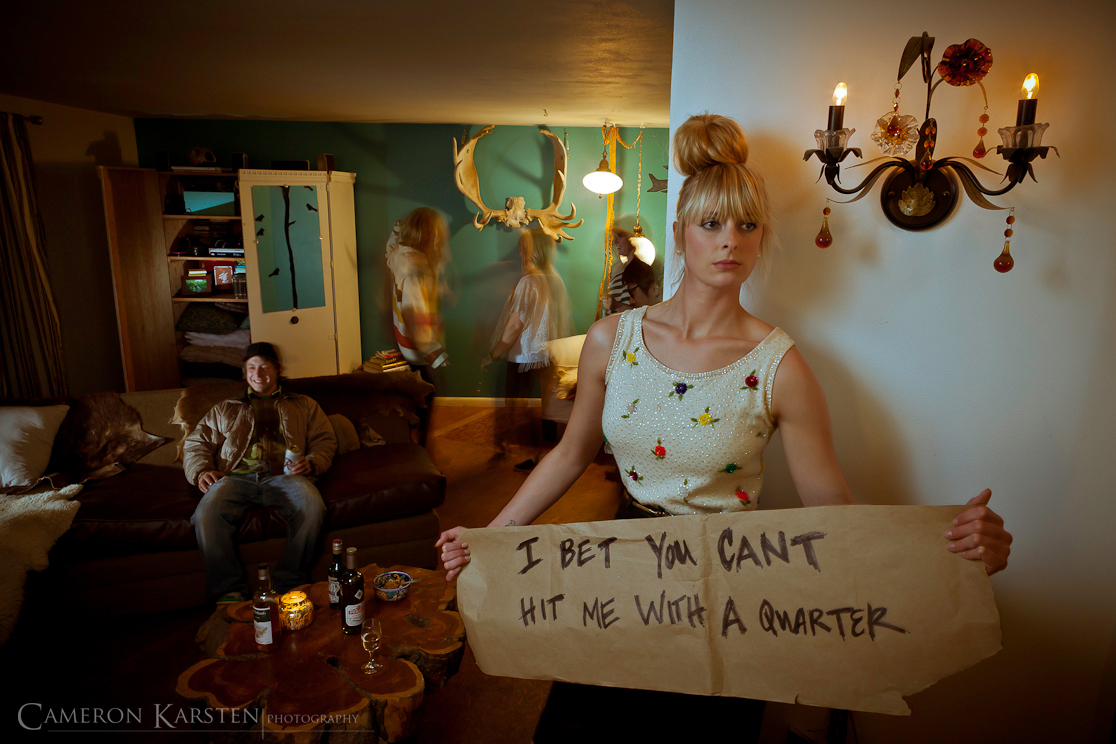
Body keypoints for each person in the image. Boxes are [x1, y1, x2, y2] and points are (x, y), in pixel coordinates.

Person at [436, 113, 1012, 740]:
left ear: (762, 239)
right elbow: (570, 454)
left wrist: (945, 550)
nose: (729, 241)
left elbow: (834, 514)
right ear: (680, 233)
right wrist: (492, 536)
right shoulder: (612, 339)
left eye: (747, 225)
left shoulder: (780, 367)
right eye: (711, 224)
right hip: (620, 564)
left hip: (729, 582)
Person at [185, 342, 337, 603]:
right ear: (245, 373)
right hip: (235, 477)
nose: (258, 373)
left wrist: (313, 462)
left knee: (312, 506)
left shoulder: (304, 405)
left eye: (265, 367)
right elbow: (197, 443)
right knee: (206, 513)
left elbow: (325, 440)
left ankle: (289, 580)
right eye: (251, 367)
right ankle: (228, 591)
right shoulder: (225, 408)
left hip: (286, 476)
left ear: (278, 370)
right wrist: (202, 470)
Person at [483, 229, 572, 471]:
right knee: (542, 408)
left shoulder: (529, 282)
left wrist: (494, 354)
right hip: (546, 354)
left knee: (521, 408)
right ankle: (542, 456)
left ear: (533, 252)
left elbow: (514, 326)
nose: (520, 254)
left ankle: (534, 456)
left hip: (525, 356)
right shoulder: (551, 279)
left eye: (524, 249)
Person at [386, 207, 450, 445]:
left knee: (418, 392)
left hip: (403, 338)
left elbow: (389, 248)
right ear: (429, 236)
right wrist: (432, 350)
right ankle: (417, 443)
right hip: (417, 346)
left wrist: (397, 229)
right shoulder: (416, 267)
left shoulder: (398, 255)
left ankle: (414, 434)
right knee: (427, 393)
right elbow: (415, 311)